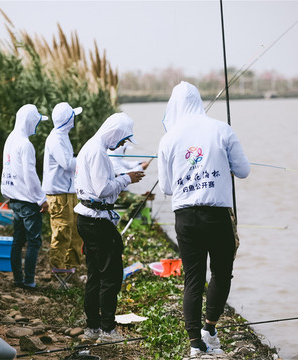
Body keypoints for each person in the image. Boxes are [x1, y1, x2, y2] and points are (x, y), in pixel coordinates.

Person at [157, 81, 250, 356]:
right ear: (199, 101)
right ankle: (210, 329)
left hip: (185, 218)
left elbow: (166, 188)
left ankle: (195, 345)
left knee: (193, 279)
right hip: (217, 216)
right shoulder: (222, 129)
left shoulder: (169, 138)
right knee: (221, 272)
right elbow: (243, 171)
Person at [74, 112, 145, 342]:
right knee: (111, 275)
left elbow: (99, 185)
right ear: (115, 133)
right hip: (96, 221)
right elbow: (103, 189)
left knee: (95, 274)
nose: (122, 144)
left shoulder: (91, 147)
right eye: (123, 140)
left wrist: (122, 176)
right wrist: (127, 179)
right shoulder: (97, 151)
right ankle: (107, 330)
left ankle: (93, 326)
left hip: (87, 218)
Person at [1, 104, 50, 289]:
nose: (37, 126)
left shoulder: (11, 139)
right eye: (36, 122)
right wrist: (41, 199)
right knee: (34, 241)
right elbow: (30, 175)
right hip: (28, 201)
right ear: (30, 122)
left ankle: (18, 279)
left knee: (17, 241)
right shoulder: (26, 144)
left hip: (13, 199)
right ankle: (29, 280)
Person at [42, 102, 84, 272]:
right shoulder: (56, 139)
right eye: (73, 116)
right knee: (61, 231)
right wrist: (85, 159)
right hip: (59, 194)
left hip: (68, 192)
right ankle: (57, 269)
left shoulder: (62, 136)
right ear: (68, 119)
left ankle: (71, 267)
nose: (75, 118)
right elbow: (67, 163)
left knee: (75, 230)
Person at [108, 143, 151, 219]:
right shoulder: (112, 160)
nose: (124, 151)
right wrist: (141, 167)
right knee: (141, 200)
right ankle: (124, 221)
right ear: (120, 149)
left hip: (122, 192)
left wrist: (140, 163)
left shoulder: (116, 159)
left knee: (143, 198)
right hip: (117, 194)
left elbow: (128, 164)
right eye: (124, 149)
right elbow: (125, 174)